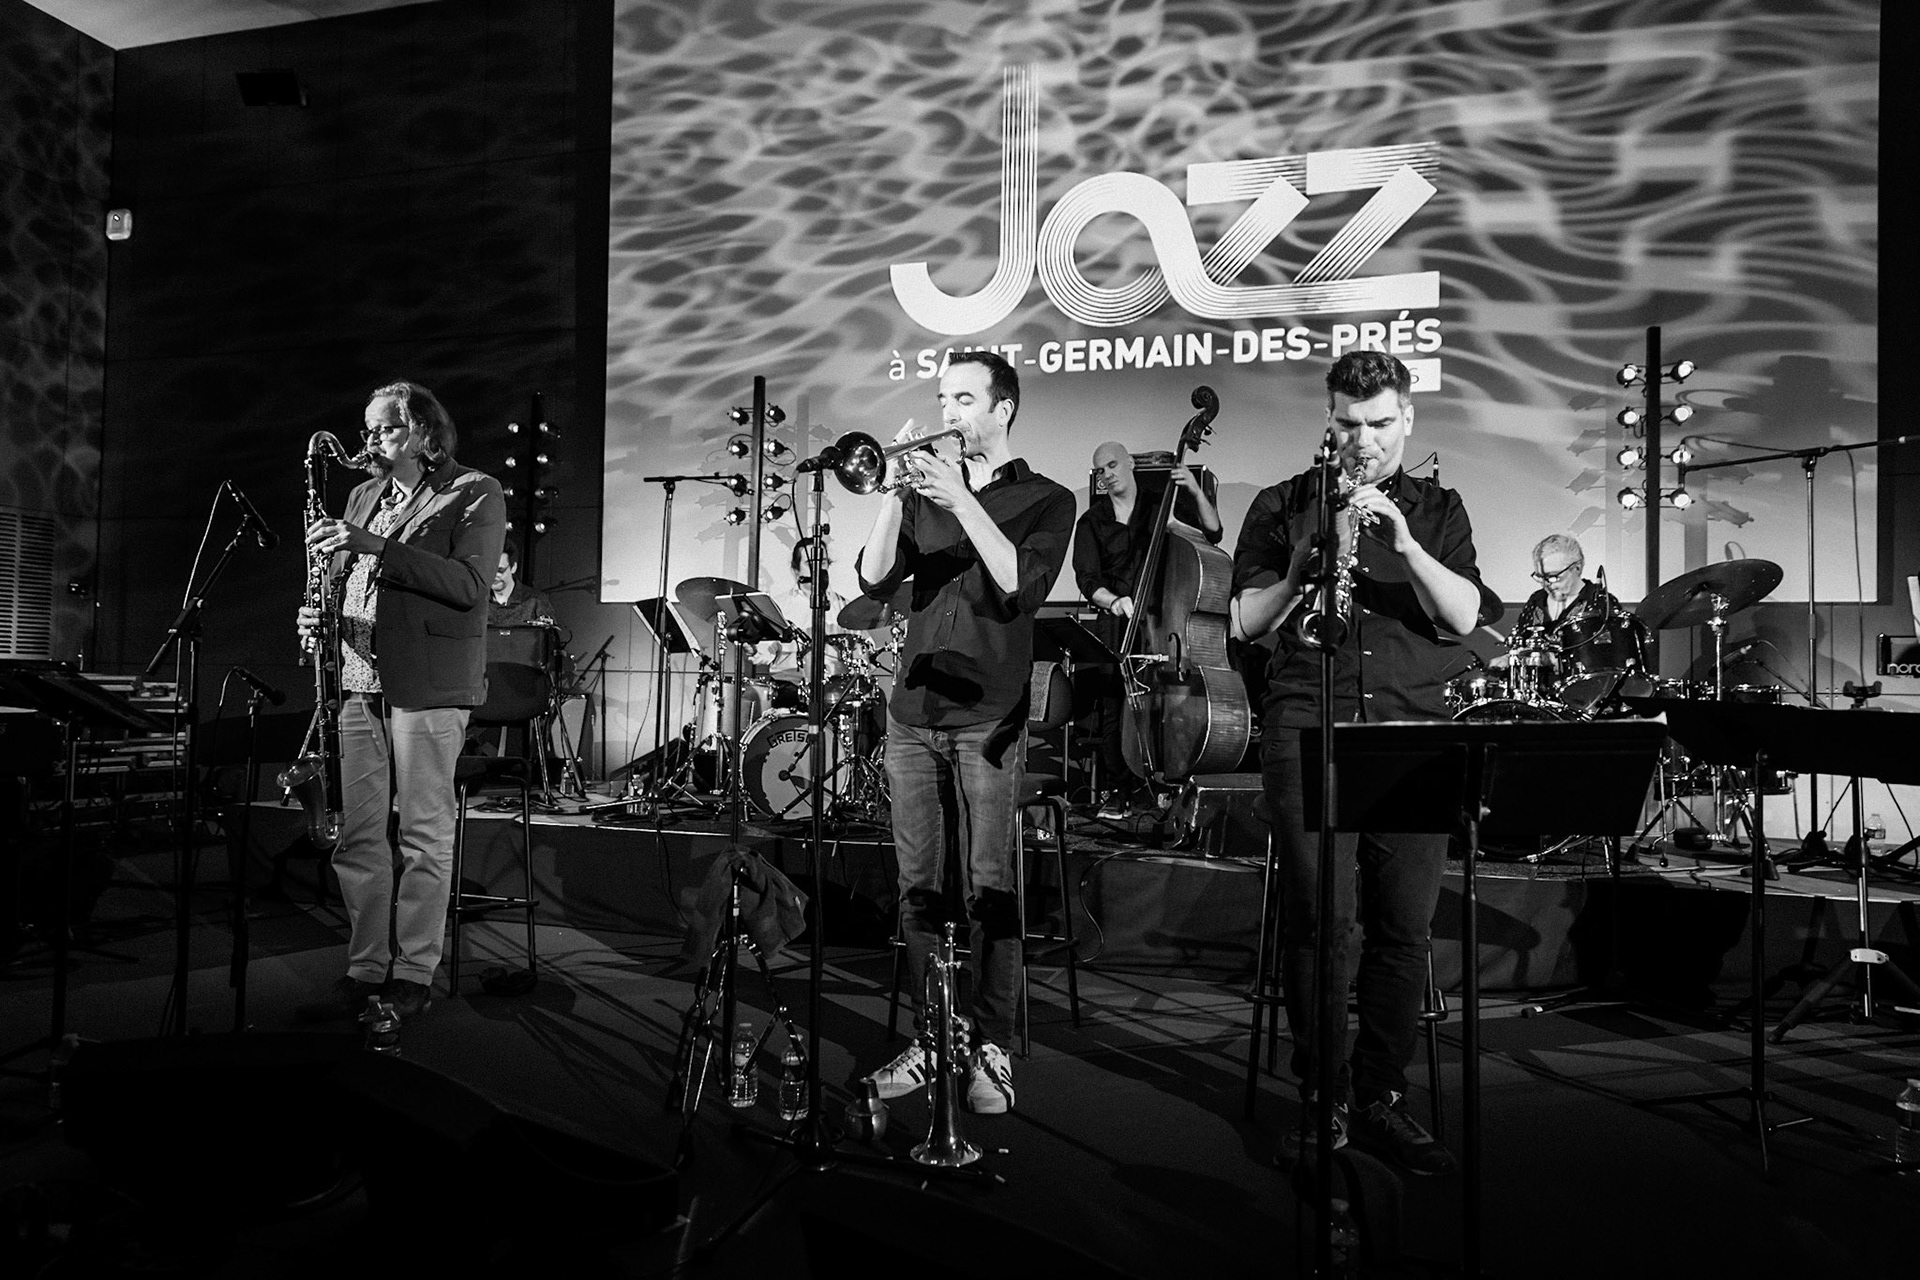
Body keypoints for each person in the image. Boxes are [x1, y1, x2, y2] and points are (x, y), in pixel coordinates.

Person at [1231, 351, 1498, 1175]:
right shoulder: (1283, 504)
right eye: (1348, 425)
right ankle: (1324, 1095)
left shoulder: (1439, 506)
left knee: (1403, 929)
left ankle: (1381, 1093)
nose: (1363, 442)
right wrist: (1305, 567)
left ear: (1408, 420)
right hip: (1309, 723)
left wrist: (1409, 547)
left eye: (1380, 424)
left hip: (1413, 727)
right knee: (1321, 925)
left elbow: (1462, 619)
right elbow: (1244, 621)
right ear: (1329, 420)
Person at [855, 350, 1074, 1115]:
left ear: (1003, 407)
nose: (949, 414)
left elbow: (1021, 585)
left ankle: (991, 1045)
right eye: (943, 399)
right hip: (912, 714)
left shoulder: (1049, 499)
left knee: (989, 885)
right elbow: (874, 579)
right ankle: (933, 1035)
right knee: (920, 884)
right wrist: (892, 497)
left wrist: (964, 499)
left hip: (988, 715)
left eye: (965, 399)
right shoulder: (925, 497)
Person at [295, 381, 506, 1022]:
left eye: (383, 430)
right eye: (367, 430)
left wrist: (378, 547)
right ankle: (366, 967)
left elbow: (471, 586)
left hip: (427, 687)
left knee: (422, 836)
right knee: (358, 837)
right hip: (358, 682)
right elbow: (349, 577)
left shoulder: (474, 491)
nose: (370, 443)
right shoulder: (363, 494)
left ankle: (414, 969)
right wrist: (319, 612)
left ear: (422, 433)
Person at [1070, 442, 1223, 816]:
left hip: (1165, 617)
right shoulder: (1091, 522)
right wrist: (1114, 600)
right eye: (1100, 471)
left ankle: (1173, 785)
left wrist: (1192, 488)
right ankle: (1121, 792)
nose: (1107, 475)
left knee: (1165, 701)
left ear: (1129, 465)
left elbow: (1213, 533)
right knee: (1113, 706)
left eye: (1112, 466)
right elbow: (1088, 579)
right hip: (1117, 621)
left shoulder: (1161, 508)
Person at [487, 539, 557, 627]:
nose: (494, 576)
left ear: (513, 568)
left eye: (500, 570)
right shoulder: (479, 602)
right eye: (489, 571)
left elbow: (551, 637)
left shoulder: (536, 600)